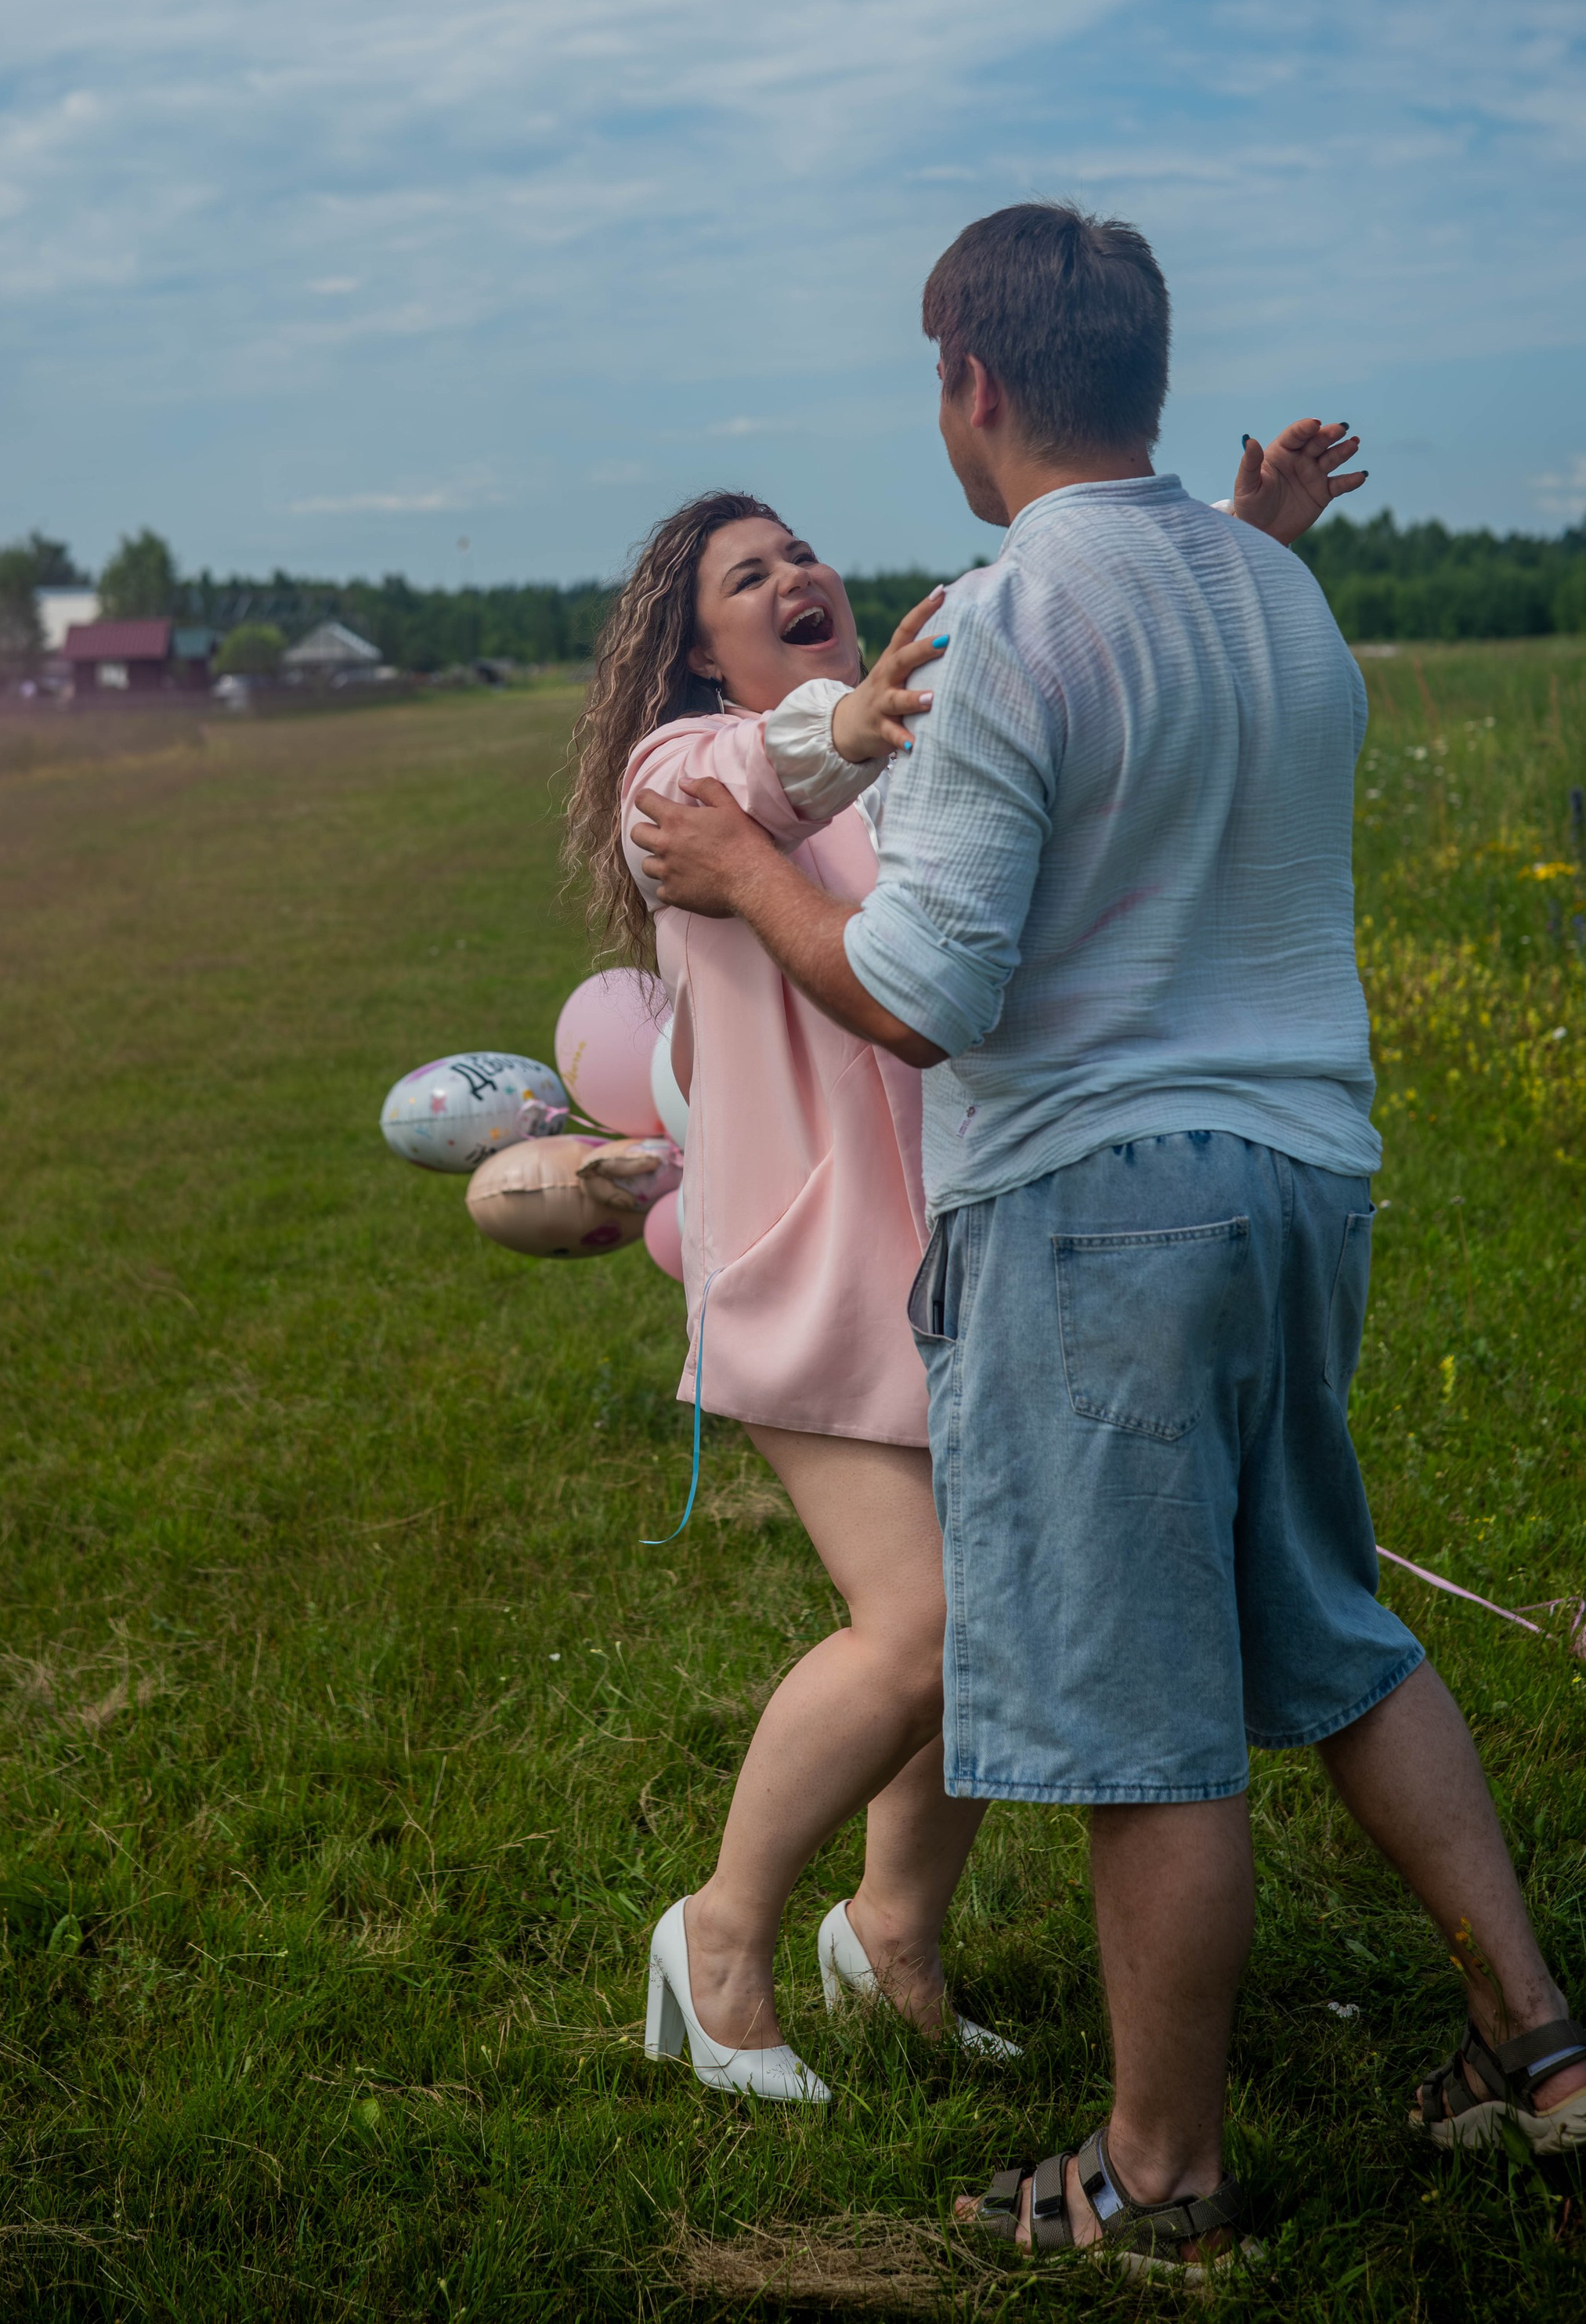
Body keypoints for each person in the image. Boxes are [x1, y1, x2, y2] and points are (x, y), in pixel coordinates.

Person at [630, 203, 1585, 2264]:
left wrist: (739, 872)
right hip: (1308, 1180)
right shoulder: (1279, 599)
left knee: (1147, 1713)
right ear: (1144, 369)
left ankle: (1162, 2178)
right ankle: (1540, 2050)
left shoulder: (999, 616)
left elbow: (921, 984)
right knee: (1329, 1630)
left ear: (969, 382)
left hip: (1098, 1213)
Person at [575, 408, 1367, 2107]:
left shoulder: (910, 738)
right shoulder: (686, 778)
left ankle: (895, 1940)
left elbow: (1083, 679)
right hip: (804, 1270)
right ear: (690, 653)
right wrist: (831, 732)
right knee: (923, 1625)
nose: (795, 574)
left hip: (969, 1258)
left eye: (798, 553)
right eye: (745, 573)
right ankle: (716, 1937)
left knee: (999, 1612)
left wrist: (1240, 549)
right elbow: (747, 784)